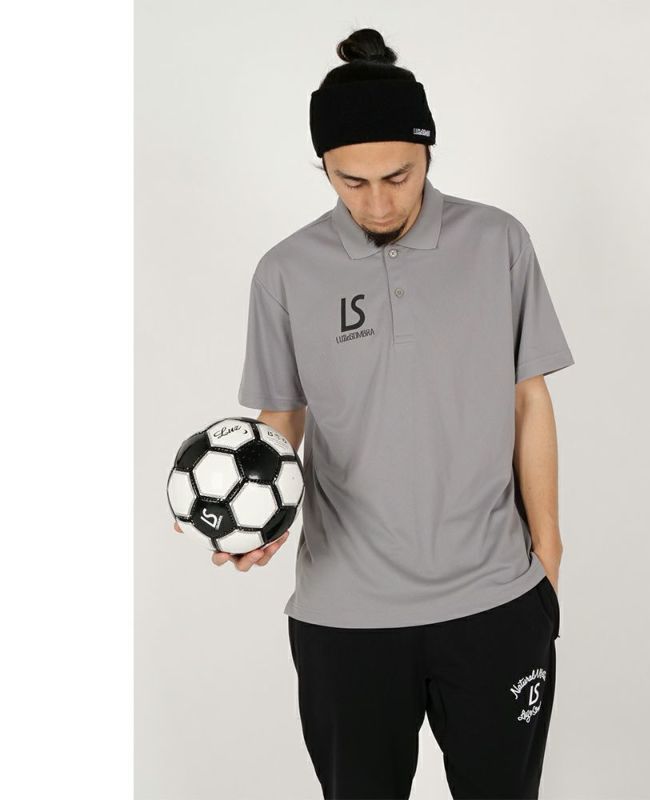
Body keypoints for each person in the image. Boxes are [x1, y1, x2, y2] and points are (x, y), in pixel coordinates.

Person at [177, 26, 573, 800]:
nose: (379, 201)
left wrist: (548, 561)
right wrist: (262, 516)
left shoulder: (498, 242)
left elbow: (529, 396)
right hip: (344, 619)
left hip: (495, 602)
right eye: (350, 181)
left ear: (428, 151)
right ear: (323, 166)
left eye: (399, 175)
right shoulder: (285, 272)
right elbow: (282, 416)